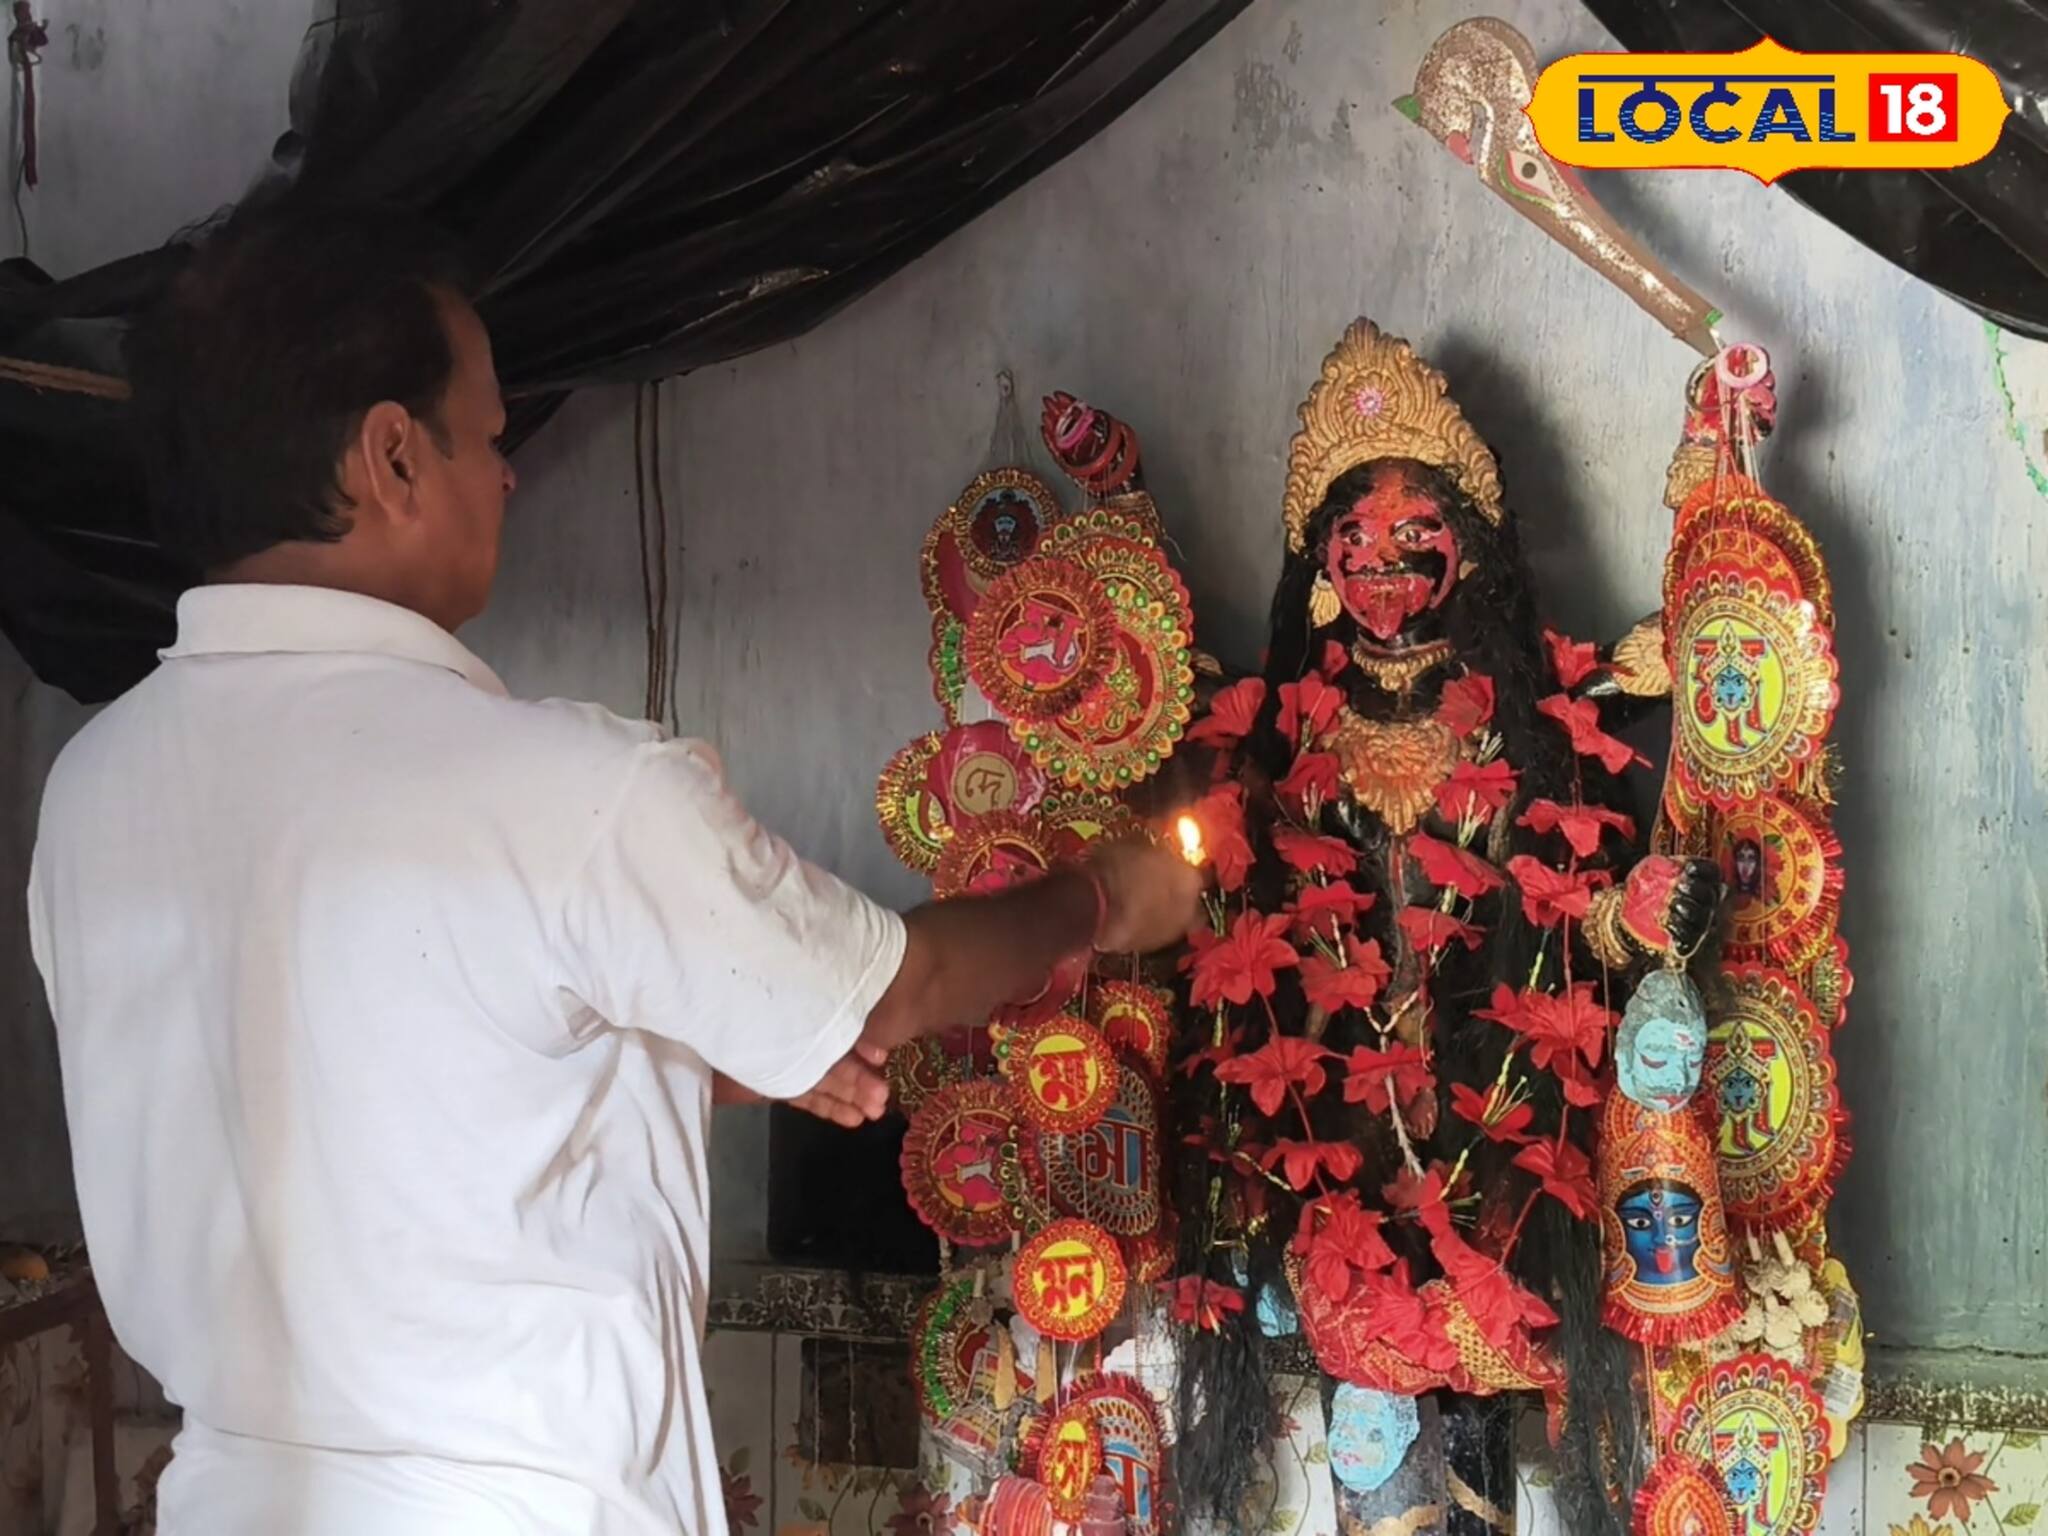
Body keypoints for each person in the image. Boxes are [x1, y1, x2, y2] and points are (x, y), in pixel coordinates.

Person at [25, 199, 1203, 1536]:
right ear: (391, 457)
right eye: (487, 434)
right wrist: (1102, 898)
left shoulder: (96, 793)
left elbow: (419, 1083)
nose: (511, 473)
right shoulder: (567, 796)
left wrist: (699, 1051)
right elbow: (896, 990)